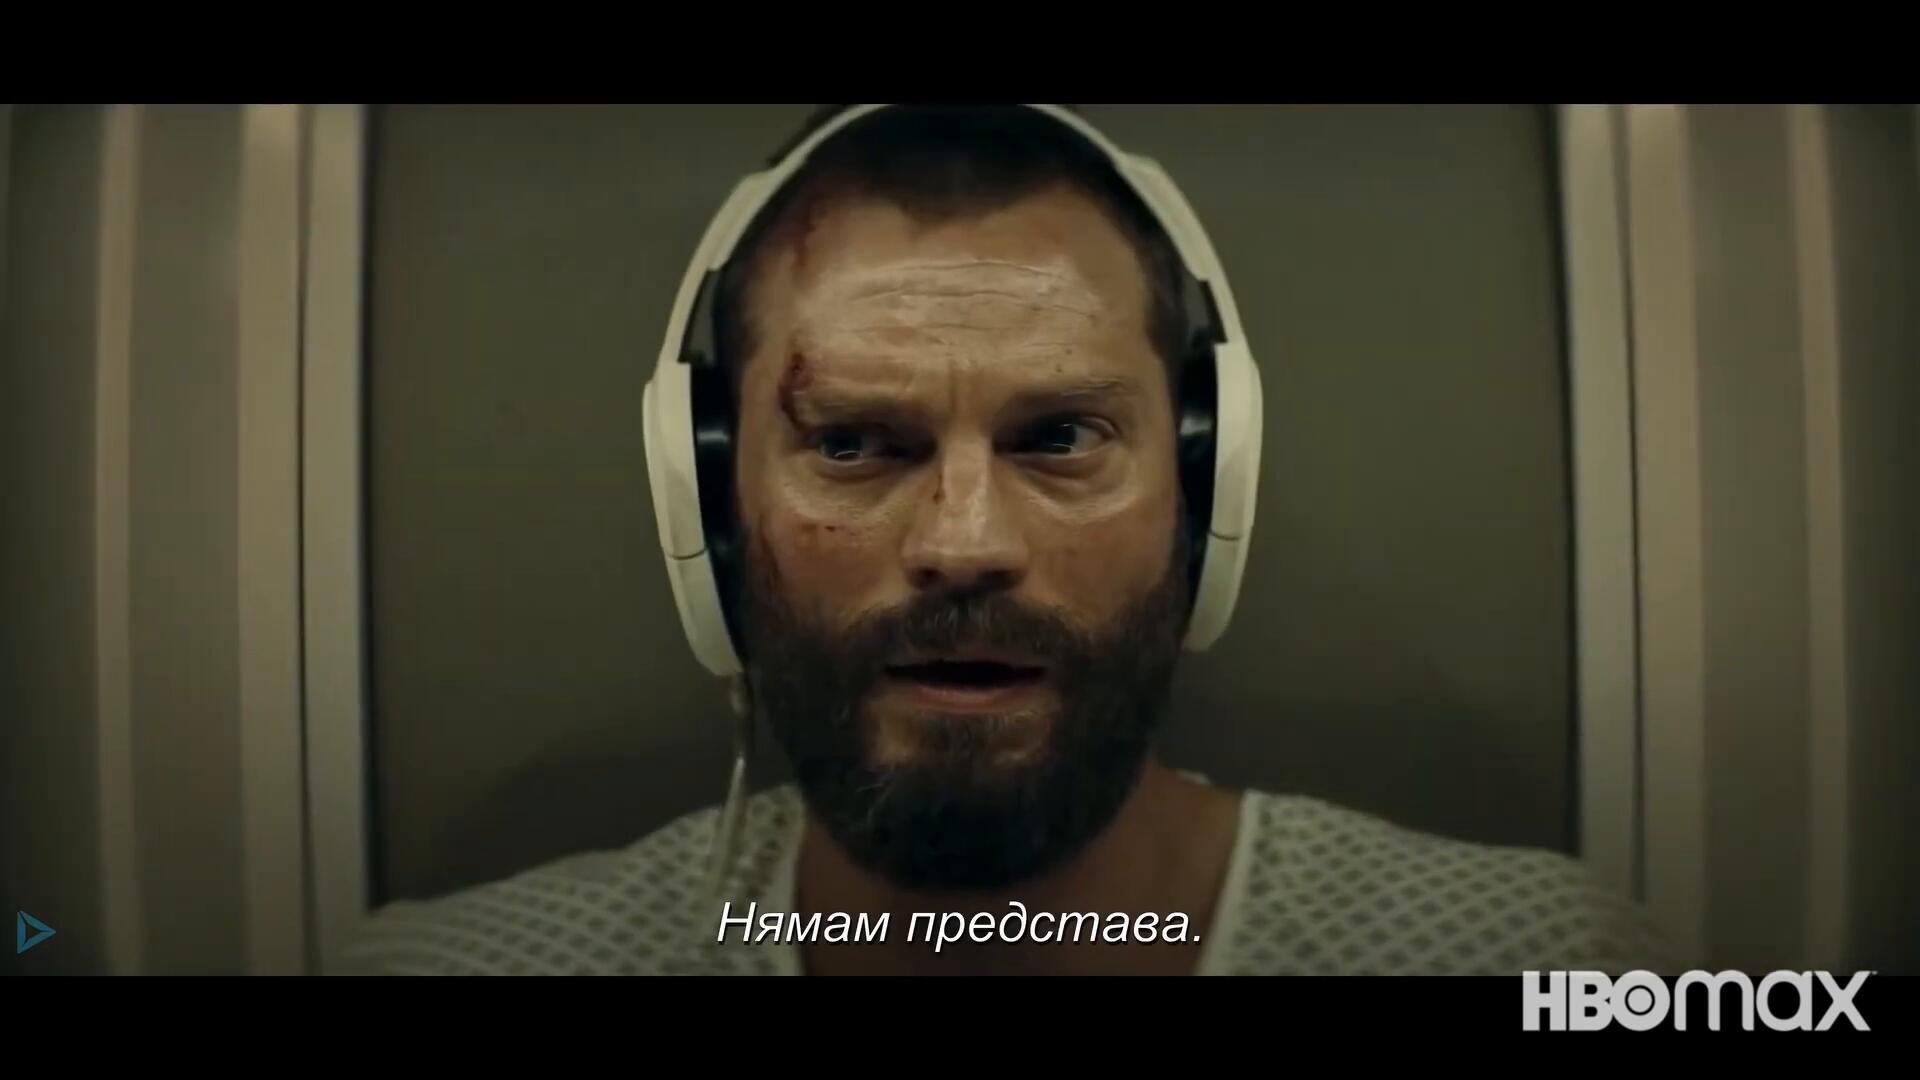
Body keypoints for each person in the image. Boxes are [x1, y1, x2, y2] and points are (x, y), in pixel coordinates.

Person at [333, 104, 1673, 976]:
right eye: (853, 442)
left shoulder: (1542, 968)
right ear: (706, 503)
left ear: (1208, 484)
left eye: (1061, 437)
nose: (964, 544)